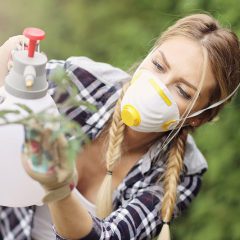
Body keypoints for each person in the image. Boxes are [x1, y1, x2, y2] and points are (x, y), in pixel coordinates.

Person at [0, 13, 239, 240]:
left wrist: (58, 187)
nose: (158, 87)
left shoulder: (181, 175)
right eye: (158, 65)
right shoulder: (80, 82)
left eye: (183, 90)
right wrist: (6, 61)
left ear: (197, 117)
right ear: (149, 55)